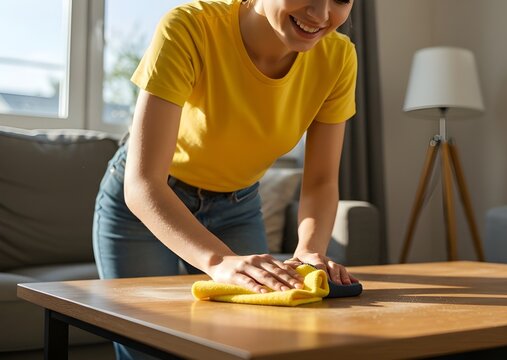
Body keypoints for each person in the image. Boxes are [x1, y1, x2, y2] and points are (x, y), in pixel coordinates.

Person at [92, 0, 358, 358]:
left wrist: (309, 249)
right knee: (147, 347)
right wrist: (219, 262)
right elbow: (142, 184)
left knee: (251, 340)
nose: (321, 15)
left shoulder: (338, 57)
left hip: (238, 205)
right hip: (151, 204)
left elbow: (322, 180)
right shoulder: (190, 27)